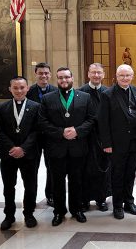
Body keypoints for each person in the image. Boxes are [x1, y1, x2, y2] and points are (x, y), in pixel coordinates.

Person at [38, 67, 97, 226]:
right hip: (56, 148)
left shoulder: (85, 97)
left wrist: (77, 131)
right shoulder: (47, 98)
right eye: (60, 78)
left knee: (76, 180)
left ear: (72, 78)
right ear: (56, 80)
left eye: (66, 77)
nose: (63, 80)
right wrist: (60, 132)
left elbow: (91, 120)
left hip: (78, 147)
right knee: (57, 182)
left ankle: (77, 209)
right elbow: (42, 122)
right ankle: (59, 212)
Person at [0, 76, 41, 230]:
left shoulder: (36, 107)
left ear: (27, 88)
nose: (19, 91)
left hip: (29, 154)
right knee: (9, 186)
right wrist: (12, 148)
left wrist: (23, 148)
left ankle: (29, 213)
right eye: (15, 88)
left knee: (30, 185)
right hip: (8, 154)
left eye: (22, 87)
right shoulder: (2, 107)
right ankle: (9, 215)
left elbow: (37, 130)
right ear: (10, 89)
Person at [99, 64, 136, 220]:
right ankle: (117, 205)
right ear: (116, 77)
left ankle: (129, 202)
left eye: (128, 75)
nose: (125, 78)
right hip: (116, 144)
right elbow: (103, 121)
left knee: (130, 173)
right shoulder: (108, 94)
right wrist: (107, 144)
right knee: (117, 174)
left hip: (135, 142)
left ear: (132, 76)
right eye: (121, 76)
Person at [78, 63, 109, 212]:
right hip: (86, 138)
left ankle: (101, 199)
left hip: (103, 138)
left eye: (99, 73)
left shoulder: (108, 92)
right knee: (85, 169)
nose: (96, 75)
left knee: (103, 169)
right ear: (88, 74)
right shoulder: (80, 93)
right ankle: (84, 200)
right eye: (93, 73)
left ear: (103, 75)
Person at [27, 62, 57, 208]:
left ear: (50, 75)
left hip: (51, 137)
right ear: (36, 74)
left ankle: (50, 195)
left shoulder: (56, 91)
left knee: (51, 168)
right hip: (34, 137)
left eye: (46, 73)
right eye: (40, 73)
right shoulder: (29, 91)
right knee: (32, 168)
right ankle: (31, 197)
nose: (43, 76)